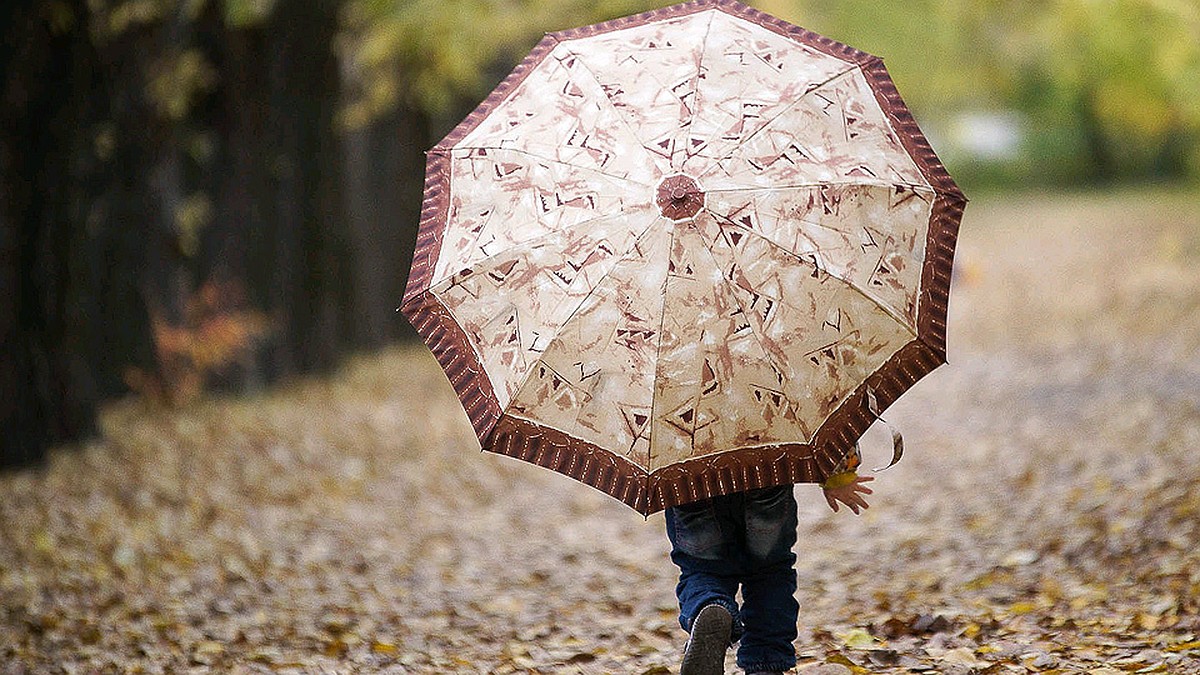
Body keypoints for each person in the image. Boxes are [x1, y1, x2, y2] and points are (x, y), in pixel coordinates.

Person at [667, 461, 875, 675]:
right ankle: (765, 663)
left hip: (693, 483)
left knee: (703, 570)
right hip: (764, 474)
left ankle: (708, 606)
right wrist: (838, 475)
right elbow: (817, 426)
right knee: (769, 574)